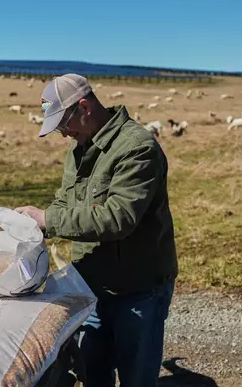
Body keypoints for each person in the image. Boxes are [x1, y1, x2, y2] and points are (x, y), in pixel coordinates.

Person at [15, 73, 178, 387]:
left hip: (137, 290)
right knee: (92, 373)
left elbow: (118, 218)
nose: (64, 134)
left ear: (85, 108)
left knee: (137, 378)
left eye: (65, 123)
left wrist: (47, 219)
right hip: (90, 287)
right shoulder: (79, 150)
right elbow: (64, 204)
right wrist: (32, 224)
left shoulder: (137, 148)